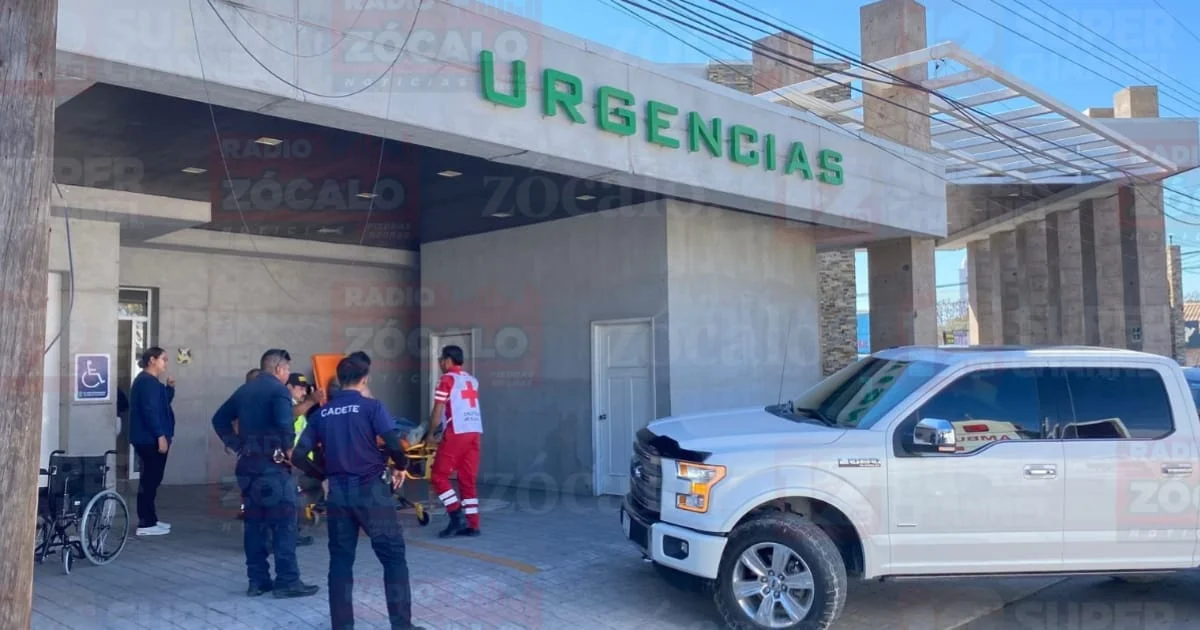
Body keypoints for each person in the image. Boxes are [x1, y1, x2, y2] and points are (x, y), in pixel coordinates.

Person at [293, 354, 425, 630]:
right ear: (365, 379)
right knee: (393, 557)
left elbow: (298, 456)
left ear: (340, 381)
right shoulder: (373, 408)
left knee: (340, 561)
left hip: (338, 495)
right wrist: (400, 466)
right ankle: (402, 625)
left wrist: (324, 475)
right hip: (371, 492)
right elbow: (393, 443)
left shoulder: (322, 413)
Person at [212, 348, 320, 599]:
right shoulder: (278, 390)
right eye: (287, 371)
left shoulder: (244, 389)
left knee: (255, 525)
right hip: (272, 468)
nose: (288, 376)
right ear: (279, 369)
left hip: (248, 467)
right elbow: (285, 426)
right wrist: (289, 452)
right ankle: (287, 581)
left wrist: (236, 444)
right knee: (284, 525)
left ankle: (257, 581)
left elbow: (219, 419)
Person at [428, 345, 483, 538]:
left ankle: (455, 514)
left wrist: (430, 435)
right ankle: (473, 524)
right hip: (475, 431)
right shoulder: (472, 380)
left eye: (441, 360)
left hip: (457, 431)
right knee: (467, 479)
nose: (440, 363)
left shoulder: (446, 380)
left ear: (447, 360)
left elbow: (438, 410)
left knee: (438, 476)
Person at [129, 347, 175, 537]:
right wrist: (160, 435)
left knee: (152, 479)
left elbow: (162, 404)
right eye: (163, 359)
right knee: (149, 480)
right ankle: (146, 523)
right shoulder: (146, 383)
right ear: (152, 360)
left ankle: (151, 519)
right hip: (150, 439)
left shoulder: (152, 383)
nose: (166, 363)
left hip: (151, 438)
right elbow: (150, 411)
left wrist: (170, 388)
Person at [287, 372, 327, 546]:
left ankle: (305, 519)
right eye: (300, 388)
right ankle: (293, 532)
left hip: (301, 460)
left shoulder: (300, 405)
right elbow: (291, 414)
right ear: (288, 387)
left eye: (306, 388)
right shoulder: (287, 404)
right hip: (292, 460)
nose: (304, 391)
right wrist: (310, 400)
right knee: (293, 496)